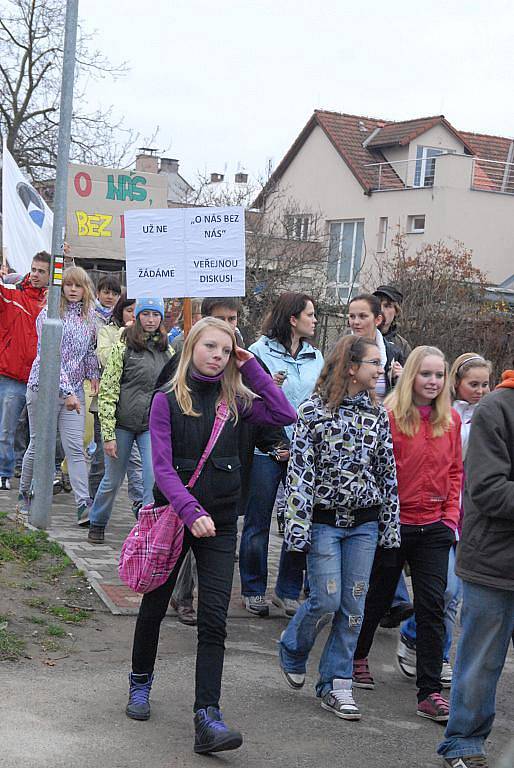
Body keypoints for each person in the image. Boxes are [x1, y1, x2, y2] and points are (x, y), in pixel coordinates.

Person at [126, 317, 296, 755]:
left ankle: (207, 716)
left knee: (214, 619)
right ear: (191, 349)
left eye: (226, 350)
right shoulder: (166, 400)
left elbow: (285, 413)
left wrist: (251, 365)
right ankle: (140, 681)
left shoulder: (237, 399)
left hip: (219, 522)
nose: (218, 356)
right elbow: (161, 467)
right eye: (211, 347)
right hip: (175, 516)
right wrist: (189, 510)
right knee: (156, 605)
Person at [278, 335, 400, 720]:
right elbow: (299, 475)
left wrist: (389, 527)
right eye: (373, 363)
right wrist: (297, 528)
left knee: (354, 608)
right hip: (325, 524)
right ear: (351, 367)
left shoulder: (377, 415)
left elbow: (387, 474)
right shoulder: (312, 412)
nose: (380, 370)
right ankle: (293, 648)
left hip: (364, 525)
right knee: (326, 600)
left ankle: (336, 683)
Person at [353, 346, 462, 722]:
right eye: (426, 374)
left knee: (434, 605)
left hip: (434, 526)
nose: (433, 382)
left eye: (439, 375)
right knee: (378, 596)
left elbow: (455, 473)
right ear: (411, 375)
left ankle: (428, 692)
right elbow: (376, 470)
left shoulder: (451, 422)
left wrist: (450, 518)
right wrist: (383, 515)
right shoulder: (389, 416)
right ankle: (357, 657)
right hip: (394, 523)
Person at [397, 353, 491, 687]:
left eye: (485, 384)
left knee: (451, 593)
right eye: (473, 384)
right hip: (428, 512)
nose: (480, 390)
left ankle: (437, 656)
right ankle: (413, 638)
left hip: (465, 512)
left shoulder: (488, 415)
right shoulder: (448, 417)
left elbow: (465, 468)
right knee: (445, 591)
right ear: (458, 384)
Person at [437, 368, 514, 768]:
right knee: (481, 661)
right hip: (494, 562)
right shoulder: (496, 409)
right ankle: (463, 742)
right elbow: (488, 489)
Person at [239, 292, 324, 617]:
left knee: (298, 522)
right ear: (293, 318)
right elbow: (249, 398)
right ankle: (253, 588)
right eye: (310, 314)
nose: (314, 320)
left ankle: (287, 591)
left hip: (303, 454)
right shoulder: (258, 352)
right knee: (258, 521)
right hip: (267, 450)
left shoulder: (315, 357)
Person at [87, 298, 172, 542]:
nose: (150, 320)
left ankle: (146, 529)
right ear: (137, 316)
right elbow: (109, 390)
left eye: (155, 315)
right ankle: (98, 521)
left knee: (152, 479)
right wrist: (109, 434)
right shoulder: (123, 347)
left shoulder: (167, 351)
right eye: (145, 314)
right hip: (122, 424)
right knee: (112, 480)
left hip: (150, 427)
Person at [19, 267, 99, 521]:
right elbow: (50, 356)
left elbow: (88, 352)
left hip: (75, 389)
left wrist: (94, 375)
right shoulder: (49, 315)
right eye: (69, 285)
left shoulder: (90, 318)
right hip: (44, 388)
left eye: (79, 286)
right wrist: (67, 392)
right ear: (60, 288)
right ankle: (24, 497)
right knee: (38, 443)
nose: (73, 290)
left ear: (86, 289)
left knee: (75, 447)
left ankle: (83, 504)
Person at [89, 292, 144, 517]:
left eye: (137, 311)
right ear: (121, 310)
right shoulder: (109, 331)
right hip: (108, 407)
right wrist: (125, 335)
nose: (134, 315)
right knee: (103, 460)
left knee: (136, 463)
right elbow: (103, 357)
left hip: (135, 411)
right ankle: (94, 506)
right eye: (129, 310)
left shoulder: (150, 338)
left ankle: (140, 505)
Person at [0, 252, 50, 491]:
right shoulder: (13, 295)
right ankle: (4, 472)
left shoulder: (53, 304)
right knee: (6, 430)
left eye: (42, 271)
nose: (36, 274)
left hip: (41, 378)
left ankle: (34, 478)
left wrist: (67, 261)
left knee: (38, 434)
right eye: (33, 269)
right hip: (11, 375)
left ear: (51, 275)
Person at [88, 275, 122, 499]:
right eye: (106, 292)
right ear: (98, 293)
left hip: (125, 398)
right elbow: (101, 355)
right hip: (95, 384)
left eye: (114, 293)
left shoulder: (127, 323)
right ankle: (93, 500)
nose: (110, 297)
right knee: (98, 449)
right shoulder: (93, 318)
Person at [347, 293, 404, 400]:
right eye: (352, 316)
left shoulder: (393, 352)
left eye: (363, 316)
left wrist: (401, 381)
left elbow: (401, 398)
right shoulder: (340, 350)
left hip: (381, 414)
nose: (356, 322)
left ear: (378, 320)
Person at [372, 285, 412, 360]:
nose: (381, 310)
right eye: (378, 305)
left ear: (396, 311)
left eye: (387, 306)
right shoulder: (360, 336)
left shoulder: (402, 346)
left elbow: (408, 370)